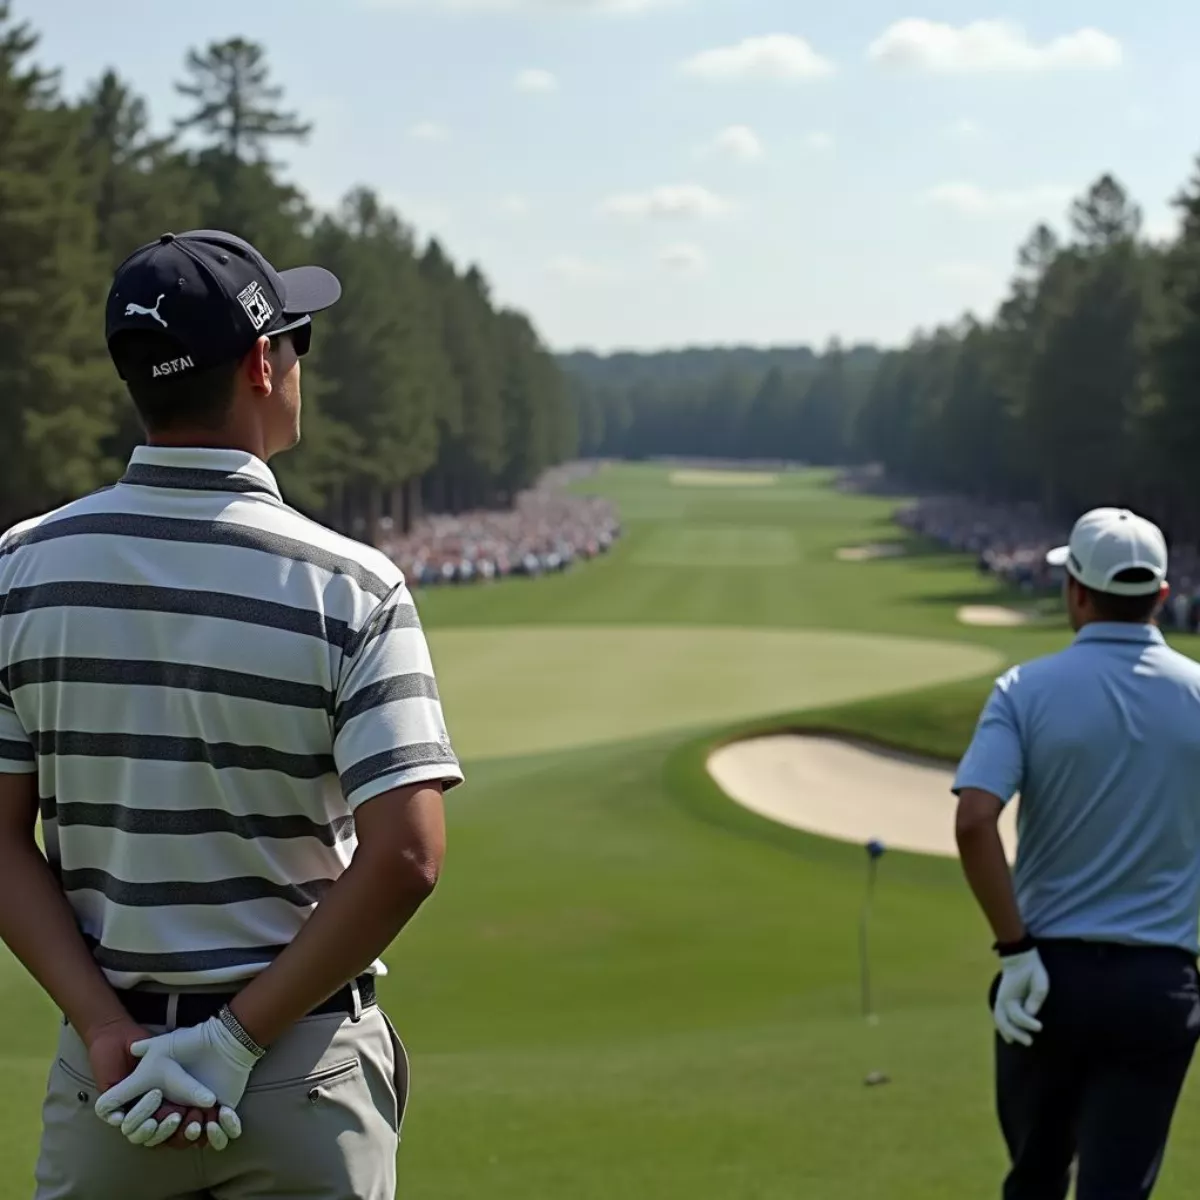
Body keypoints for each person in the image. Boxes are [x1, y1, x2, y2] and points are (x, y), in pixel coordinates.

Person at [0, 229, 463, 1199]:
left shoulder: (19, 571)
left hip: (114, 1083)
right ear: (263, 363)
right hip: (300, 1073)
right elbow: (409, 855)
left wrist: (102, 1027)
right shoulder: (354, 585)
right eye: (297, 340)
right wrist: (234, 1042)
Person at [952, 506, 1200, 1200]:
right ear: (1159, 594)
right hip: (1159, 985)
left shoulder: (1024, 691)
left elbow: (975, 822)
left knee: (1034, 1182)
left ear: (1077, 593)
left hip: (1046, 982)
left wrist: (1015, 950)